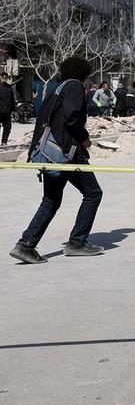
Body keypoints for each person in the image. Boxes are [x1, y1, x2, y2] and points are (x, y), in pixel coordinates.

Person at [10, 55, 105, 263]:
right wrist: (85, 140)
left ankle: (25, 245)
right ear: (84, 74)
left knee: (51, 200)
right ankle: (77, 243)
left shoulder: (56, 89)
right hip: (67, 153)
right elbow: (71, 119)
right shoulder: (74, 87)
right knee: (93, 193)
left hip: (50, 153)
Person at [0, 71, 14, 146]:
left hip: (7, 111)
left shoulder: (9, 87)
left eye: (6, 77)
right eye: (3, 77)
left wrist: (13, 109)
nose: (4, 79)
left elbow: (12, 99)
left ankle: (4, 142)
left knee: (8, 127)